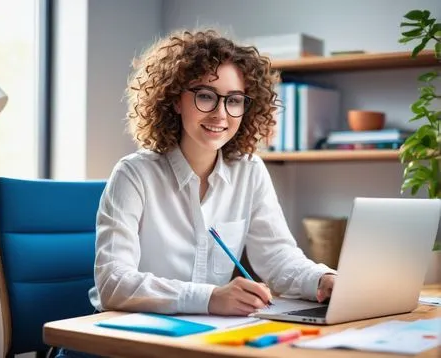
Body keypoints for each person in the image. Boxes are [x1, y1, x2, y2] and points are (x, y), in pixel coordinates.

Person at [57, 27, 336, 358]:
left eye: (234, 101)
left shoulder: (249, 171)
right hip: (122, 343)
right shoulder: (134, 174)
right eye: (205, 95)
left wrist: (321, 279)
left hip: (199, 340)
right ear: (175, 100)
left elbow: (277, 257)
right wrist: (210, 297)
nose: (220, 113)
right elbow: (113, 284)